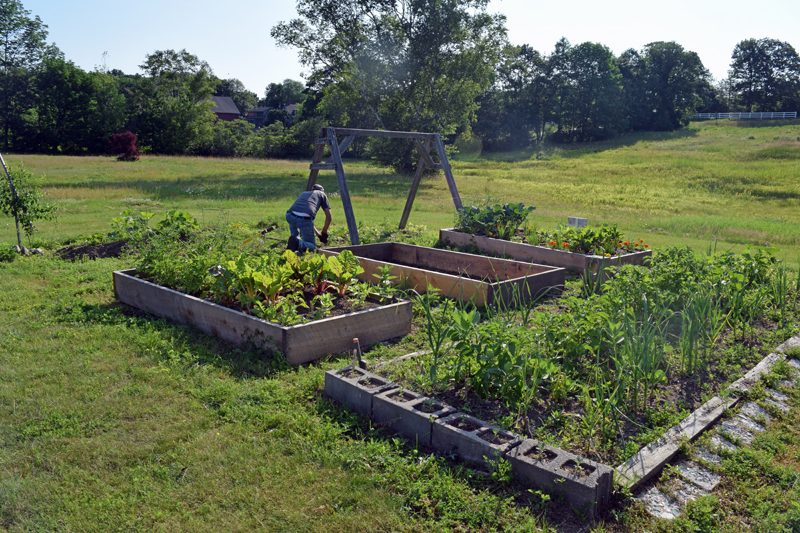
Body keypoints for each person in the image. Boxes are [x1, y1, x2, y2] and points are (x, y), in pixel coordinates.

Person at [285, 184, 332, 253]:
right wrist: (324, 233)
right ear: (322, 191)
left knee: (295, 237)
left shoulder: (304, 193)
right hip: (304, 219)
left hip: (290, 215)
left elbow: (309, 222)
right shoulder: (322, 194)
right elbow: (329, 217)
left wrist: (319, 235)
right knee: (312, 247)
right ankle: (298, 244)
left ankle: (294, 243)